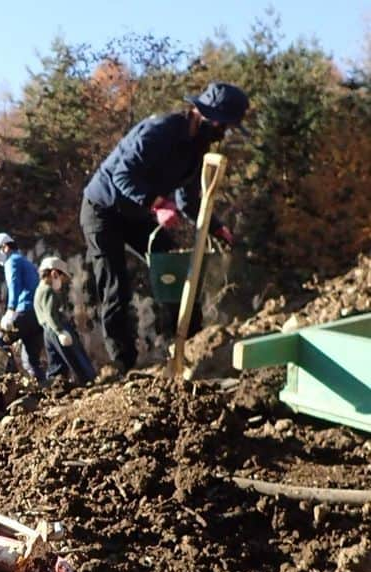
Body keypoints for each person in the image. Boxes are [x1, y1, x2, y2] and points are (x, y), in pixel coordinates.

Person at [80, 82, 249, 373]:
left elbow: (188, 200)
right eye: (225, 125)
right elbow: (123, 174)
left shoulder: (197, 148)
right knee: (115, 284)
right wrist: (157, 205)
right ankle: (123, 364)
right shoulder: (160, 130)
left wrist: (216, 228)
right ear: (207, 115)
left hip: (136, 212)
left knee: (173, 264)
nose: (225, 132)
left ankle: (189, 342)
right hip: (102, 209)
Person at [0, 232, 45, 383]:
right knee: (30, 361)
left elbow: (14, 286)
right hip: (37, 315)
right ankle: (43, 388)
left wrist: (11, 310)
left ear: (4, 248)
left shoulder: (12, 261)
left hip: (24, 311)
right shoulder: (26, 262)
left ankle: (12, 380)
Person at [33, 256, 96, 386]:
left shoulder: (39, 289)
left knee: (55, 361)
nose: (62, 282)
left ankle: (56, 383)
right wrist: (60, 331)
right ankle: (88, 379)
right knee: (74, 355)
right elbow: (50, 314)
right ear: (54, 274)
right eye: (62, 278)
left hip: (47, 331)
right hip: (57, 328)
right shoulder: (49, 291)